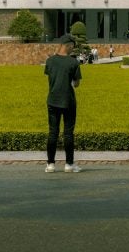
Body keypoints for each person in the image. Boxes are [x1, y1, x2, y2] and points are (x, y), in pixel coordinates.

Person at [44, 34, 82, 173]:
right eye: (73, 47)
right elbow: (76, 83)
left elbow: (50, 78)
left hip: (53, 99)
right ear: (69, 46)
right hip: (68, 101)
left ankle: (50, 164)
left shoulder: (50, 61)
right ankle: (69, 164)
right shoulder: (73, 62)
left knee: (53, 132)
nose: (73, 49)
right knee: (68, 133)